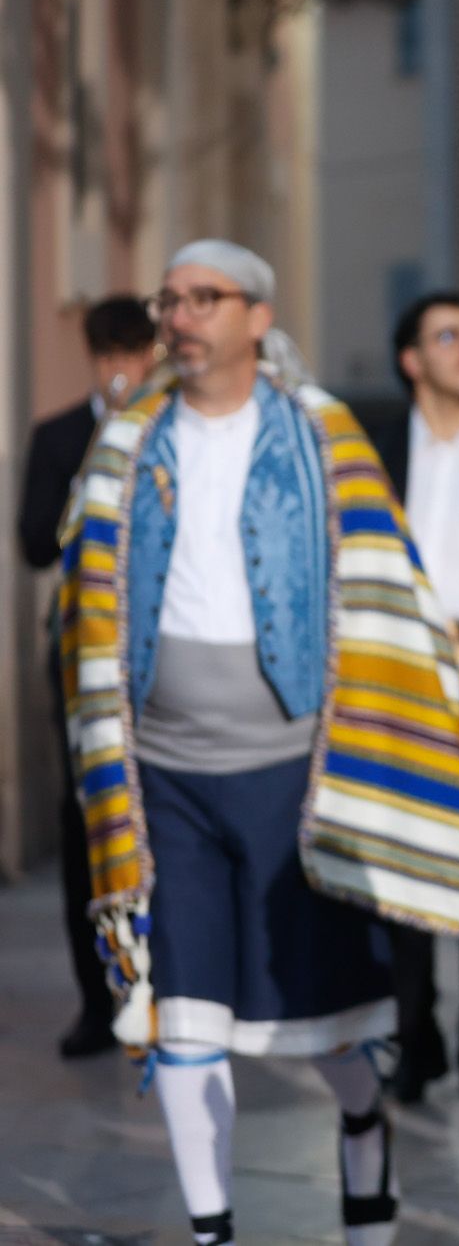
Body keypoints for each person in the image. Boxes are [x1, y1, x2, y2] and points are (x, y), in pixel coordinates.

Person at [57, 241, 459, 1246]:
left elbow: (391, 589)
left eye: (202, 299)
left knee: (333, 1023)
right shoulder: (129, 442)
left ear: (257, 317)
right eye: (168, 299)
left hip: (294, 777)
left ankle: (362, 1124)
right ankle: (213, 1231)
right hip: (162, 777)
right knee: (185, 1021)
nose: (179, 317)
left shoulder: (322, 435)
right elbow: (83, 601)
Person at [363, 291, 459, 1103]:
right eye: (448, 334)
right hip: (400, 676)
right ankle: (413, 1041)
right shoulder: (375, 454)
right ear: (411, 358)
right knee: (404, 864)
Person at [17, 294, 156, 1059]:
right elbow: (34, 543)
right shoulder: (62, 435)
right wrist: (90, 461)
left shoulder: (170, 432)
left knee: (163, 820)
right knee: (83, 828)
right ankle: (95, 997)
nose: (120, 371)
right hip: (79, 654)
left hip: (157, 657)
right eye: (108, 356)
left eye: (133, 354)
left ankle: (163, 983)